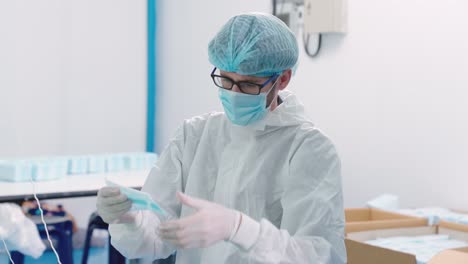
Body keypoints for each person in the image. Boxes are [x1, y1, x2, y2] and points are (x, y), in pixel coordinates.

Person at [96, 12, 346, 263]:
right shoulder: (194, 135)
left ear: (282, 79)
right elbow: (154, 238)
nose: (234, 93)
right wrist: (131, 220)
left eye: (249, 85)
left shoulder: (309, 149)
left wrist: (240, 229)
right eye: (225, 80)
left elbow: (318, 255)